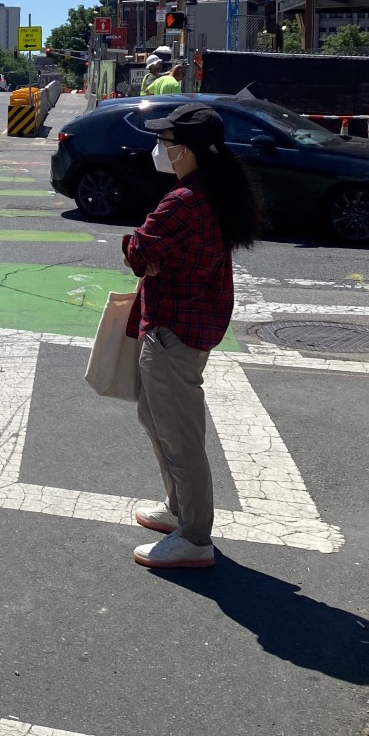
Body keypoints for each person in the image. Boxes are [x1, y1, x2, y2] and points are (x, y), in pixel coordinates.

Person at [124, 102, 262, 571]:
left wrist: (142, 253)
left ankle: (195, 537)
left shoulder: (184, 200)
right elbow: (152, 251)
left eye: (164, 141)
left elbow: (138, 248)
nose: (158, 148)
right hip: (185, 325)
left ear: (184, 150)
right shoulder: (212, 188)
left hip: (174, 330)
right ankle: (177, 508)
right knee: (155, 418)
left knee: (179, 437)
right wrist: (149, 255)